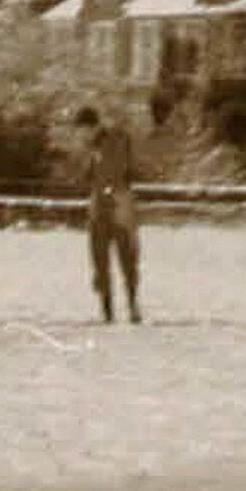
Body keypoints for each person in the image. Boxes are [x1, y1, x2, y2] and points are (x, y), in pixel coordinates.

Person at [73, 103, 142, 325]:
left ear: (91, 127)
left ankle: (131, 306)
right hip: (101, 208)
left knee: (126, 259)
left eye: (82, 129)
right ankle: (108, 311)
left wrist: (107, 195)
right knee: (100, 261)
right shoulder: (92, 146)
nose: (80, 135)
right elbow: (88, 176)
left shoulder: (114, 141)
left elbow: (117, 173)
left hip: (117, 206)